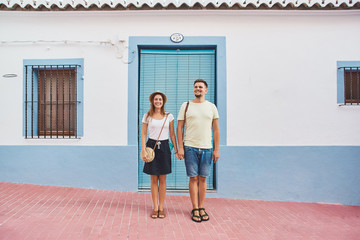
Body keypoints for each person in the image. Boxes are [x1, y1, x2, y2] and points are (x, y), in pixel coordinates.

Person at [177, 79, 220, 223]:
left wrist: (216, 149)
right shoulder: (186, 105)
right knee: (193, 178)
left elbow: (216, 129)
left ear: (206, 90)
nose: (198, 89)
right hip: (190, 147)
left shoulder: (211, 107)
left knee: (203, 178)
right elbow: (179, 128)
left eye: (200, 87)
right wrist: (180, 147)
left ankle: (202, 207)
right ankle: (195, 208)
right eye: (195, 87)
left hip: (207, 148)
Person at [141, 91, 178, 219]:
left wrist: (177, 149)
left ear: (163, 101)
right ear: (152, 101)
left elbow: (172, 134)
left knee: (162, 179)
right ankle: (155, 207)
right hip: (151, 147)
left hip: (165, 147)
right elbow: (144, 134)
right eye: (156, 99)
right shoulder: (147, 116)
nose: (158, 101)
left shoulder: (169, 116)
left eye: (160, 100)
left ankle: (161, 207)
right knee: (153, 179)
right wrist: (143, 150)